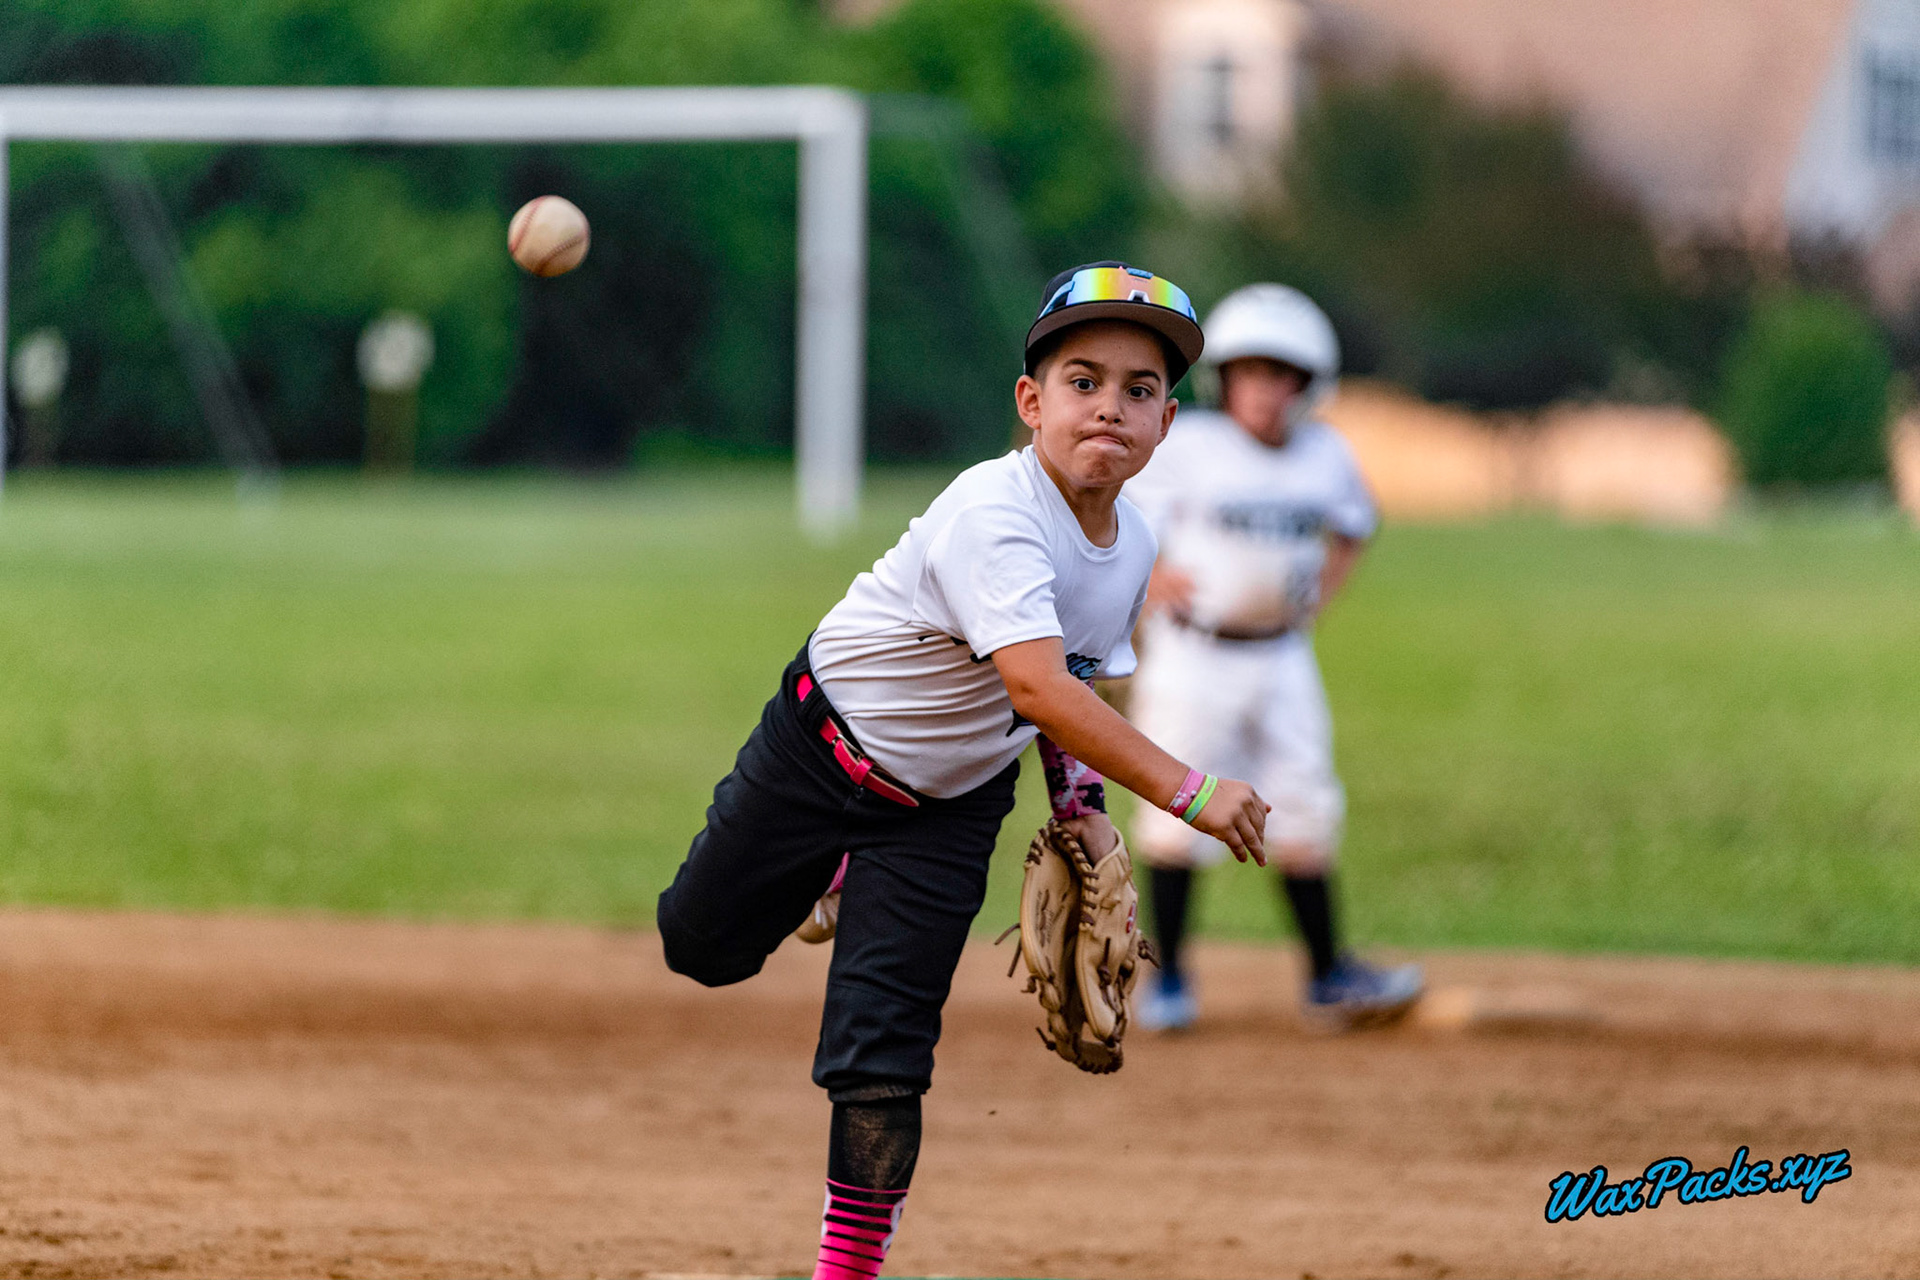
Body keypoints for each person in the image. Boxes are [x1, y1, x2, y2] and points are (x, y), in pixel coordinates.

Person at [656, 261, 1271, 1279]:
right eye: (1083, 380)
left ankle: (847, 1269)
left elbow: (1075, 688)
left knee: (883, 1057)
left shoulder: (1134, 543)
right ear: (1031, 402)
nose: (1110, 406)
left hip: (945, 809)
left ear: (1168, 424)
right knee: (701, 946)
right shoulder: (995, 508)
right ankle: (830, 870)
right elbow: (1036, 687)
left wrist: (1082, 813)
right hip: (819, 751)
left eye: (1141, 387)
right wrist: (1189, 791)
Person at [1122, 283, 1423, 1033]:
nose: (1264, 389)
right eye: (1250, 372)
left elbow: (1355, 524)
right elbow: (1119, 517)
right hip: (1194, 655)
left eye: (1281, 375)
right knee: (1176, 811)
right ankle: (1167, 982)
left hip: (1283, 656)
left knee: (1305, 804)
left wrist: (1321, 592)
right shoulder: (1187, 446)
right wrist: (1149, 576)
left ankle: (1327, 977)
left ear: (1307, 385)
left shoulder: (1325, 454)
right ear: (1226, 378)